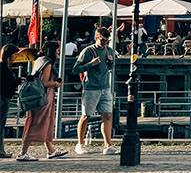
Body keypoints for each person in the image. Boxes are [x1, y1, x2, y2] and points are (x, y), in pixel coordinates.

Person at [17, 43, 68, 161]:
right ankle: (23, 152)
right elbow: (44, 82)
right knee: (38, 122)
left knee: (45, 122)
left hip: (39, 96)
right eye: (57, 50)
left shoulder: (39, 60)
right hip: (44, 96)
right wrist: (56, 84)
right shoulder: (48, 63)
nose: (58, 53)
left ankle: (51, 150)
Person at [71, 27, 118, 156]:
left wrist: (111, 62)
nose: (105, 43)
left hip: (105, 87)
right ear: (97, 37)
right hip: (91, 88)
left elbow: (110, 67)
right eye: (103, 40)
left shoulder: (109, 51)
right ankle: (80, 144)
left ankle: (108, 145)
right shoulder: (88, 51)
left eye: (107, 40)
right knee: (86, 116)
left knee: (107, 115)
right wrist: (90, 64)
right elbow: (75, 69)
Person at [0, 44, 20, 158]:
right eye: (14, 55)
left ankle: (1, 150)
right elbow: (6, 84)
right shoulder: (3, 67)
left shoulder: (6, 67)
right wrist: (16, 82)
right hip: (2, 98)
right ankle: (0, 151)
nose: (15, 57)